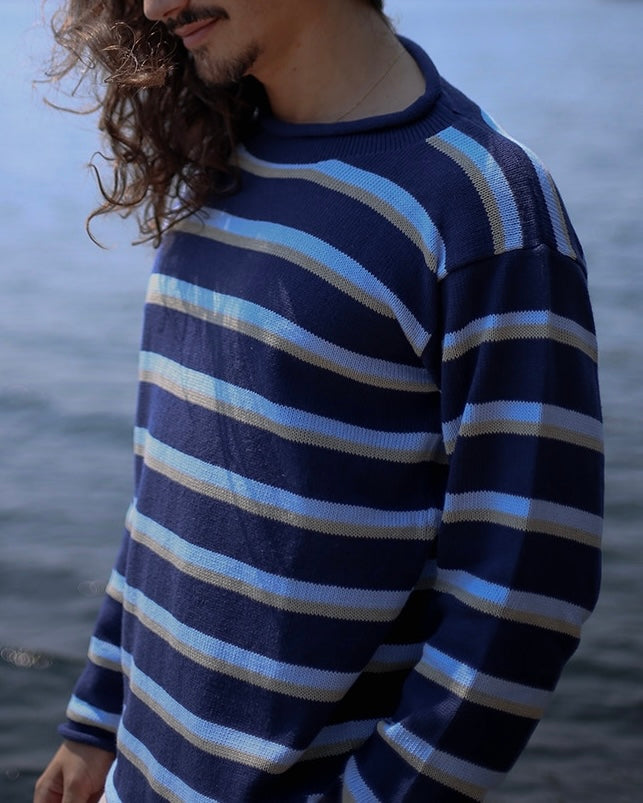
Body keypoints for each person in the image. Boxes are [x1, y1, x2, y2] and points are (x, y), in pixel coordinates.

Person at [34, 1, 604, 801]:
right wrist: (98, 720)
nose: (156, 7)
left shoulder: (484, 208)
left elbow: (523, 590)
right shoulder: (221, 164)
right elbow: (166, 493)